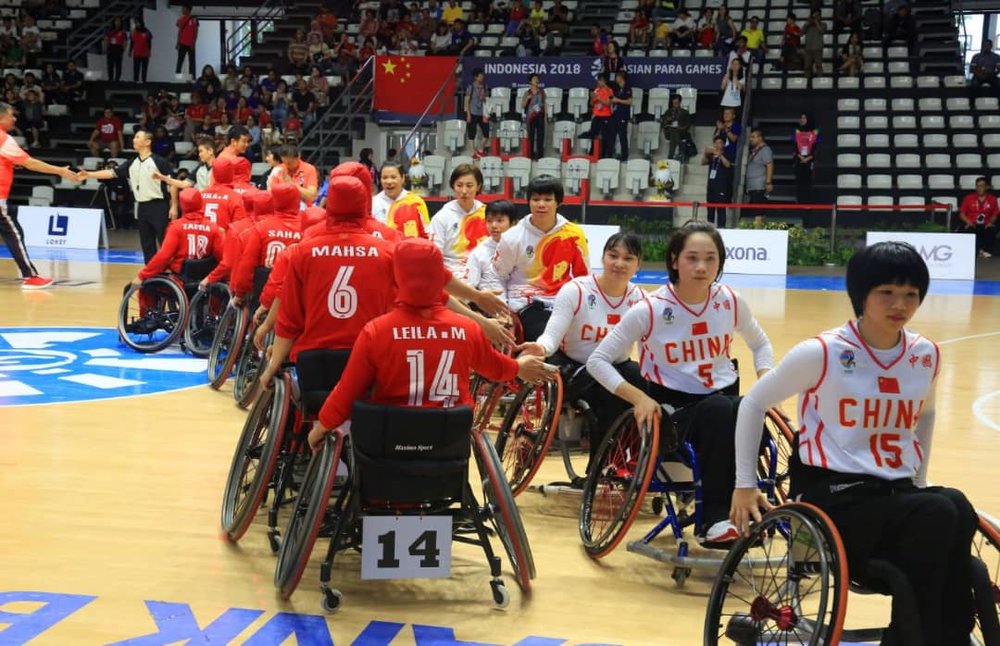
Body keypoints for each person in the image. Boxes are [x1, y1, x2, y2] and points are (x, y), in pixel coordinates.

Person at [729, 241, 979, 646]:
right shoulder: (823, 352)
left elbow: (926, 414)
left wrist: (919, 478)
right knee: (935, 512)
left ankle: (945, 635)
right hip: (833, 494)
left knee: (957, 505)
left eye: (911, 294)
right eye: (887, 292)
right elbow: (754, 403)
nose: (900, 304)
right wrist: (744, 484)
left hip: (894, 492)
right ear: (861, 294)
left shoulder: (925, 354)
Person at [587, 221, 774, 546]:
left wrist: (765, 378)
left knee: (745, 407)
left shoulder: (730, 300)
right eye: (692, 258)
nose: (702, 267)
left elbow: (761, 344)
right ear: (674, 260)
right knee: (724, 410)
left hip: (725, 402)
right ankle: (713, 520)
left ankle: (758, 505)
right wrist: (638, 398)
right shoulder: (650, 309)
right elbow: (597, 361)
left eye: (710, 259)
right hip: (674, 412)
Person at [307, 237, 553, 451]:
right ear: (440, 276)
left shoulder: (376, 331)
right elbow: (497, 368)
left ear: (396, 276)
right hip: (447, 448)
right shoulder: (467, 329)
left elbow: (346, 393)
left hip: (388, 450)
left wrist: (320, 429)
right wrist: (519, 367)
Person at [519, 233, 650, 470]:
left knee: (646, 382)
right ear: (603, 257)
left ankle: (634, 457)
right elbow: (552, 334)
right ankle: (601, 466)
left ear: (638, 264)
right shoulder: (576, 290)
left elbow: (652, 345)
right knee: (608, 391)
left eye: (628, 258)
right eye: (613, 256)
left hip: (617, 365)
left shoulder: (640, 299)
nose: (619, 263)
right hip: (574, 366)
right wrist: (541, 347)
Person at [493, 175, 589, 342]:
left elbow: (583, 278)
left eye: (548, 199)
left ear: (558, 202)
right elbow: (498, 276)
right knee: (546, 339)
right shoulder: (512, 237)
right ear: (528, 202)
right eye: (536, 199)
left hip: (562, 302)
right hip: (525, 303)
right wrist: (503, 310)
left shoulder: (574, 235)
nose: (541, 204)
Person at [0, 102, 81, 289]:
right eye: (11, 115)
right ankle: (30, 276)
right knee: (14, 235)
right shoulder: (4, 139)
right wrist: (60, 171)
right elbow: (31, 163)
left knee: (15, 233)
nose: (14, 119)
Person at [82, 128, 179, 263]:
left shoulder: (159, 161)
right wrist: (88, 174)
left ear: (147, 142)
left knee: (165, 241)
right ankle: (150, 270)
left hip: (159, 206)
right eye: (134, 137)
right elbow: (111, 173)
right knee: (146, 243)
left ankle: (171, 270)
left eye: (137, 137)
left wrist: (174, 205)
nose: (134, 139)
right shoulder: (132, 162)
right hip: (141, 206)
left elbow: (173, 183)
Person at [131, 188, 223, 287]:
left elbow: (164, 256)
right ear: (201, 202)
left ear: (181, 205)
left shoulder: (175, 227)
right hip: (205, 277)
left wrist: (142, 276)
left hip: (180, 278)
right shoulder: (214, 228)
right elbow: (223, 259)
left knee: (147, 287)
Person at [230, 183, 302, 300]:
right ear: (297, 201)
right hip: (296, 292)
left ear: (275, 201)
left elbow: (247, 263)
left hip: (262, 290)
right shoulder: (307, 227)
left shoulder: (261, 228)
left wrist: (240, 293)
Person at [428, 162, 488, 279]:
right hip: (452, 274)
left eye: (469, 186)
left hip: (482, 272)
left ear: (478, 186)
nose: (464, 191)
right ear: (453, 186)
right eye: (459, 185)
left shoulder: (486, 213)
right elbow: (434, 255)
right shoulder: (442, 217)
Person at [466, 198, 515, 297]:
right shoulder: (478, 253)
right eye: (489, 221)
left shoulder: (522, 248)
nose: (494, 225)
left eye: (499, 220)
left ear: (513, 223)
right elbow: (471, 286)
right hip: (492, 302)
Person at [372, 161, 430, 239]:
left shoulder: (416, 202)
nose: (389, 182)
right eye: (385, 178)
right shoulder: (373, 203)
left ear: (402, 178)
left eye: (393, 177)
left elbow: (427, 234)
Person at [958, 176, 998, 258]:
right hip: (972, 224)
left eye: (982, 186)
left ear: (986, 187)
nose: (979, 188)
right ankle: (977, 252)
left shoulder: (993, 199)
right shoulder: (968, 198)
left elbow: (995, 214)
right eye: (977, 186)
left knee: (992, 230)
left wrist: (990, 222)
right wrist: (968, 222)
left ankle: (984, 251)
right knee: (967, 230)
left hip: (986, 224)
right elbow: (961, 214)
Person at [702, 136, 733, 227]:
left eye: (719, 143)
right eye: (715, 143)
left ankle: (721, 228)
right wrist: (705, 154)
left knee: (721, 209)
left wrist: (720, 155)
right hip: (711, 185)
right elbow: (703, 162)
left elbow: (728, 165)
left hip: (721, 186)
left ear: (723, 145)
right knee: (710, 208)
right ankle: (710, 226)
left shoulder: (727, 154)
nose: (717, 145)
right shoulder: (711, 155)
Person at [744, 128, 773, 222]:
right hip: (753, 186)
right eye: (750, 137)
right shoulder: (754, 151)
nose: (751, 139)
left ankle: (758, 229)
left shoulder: (765, 150)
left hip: (759, 186)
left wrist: (768, 182)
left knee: (759, 212)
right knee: (758, 212)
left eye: (753, 137)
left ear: (760, 138)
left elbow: (769, 165)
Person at [792, 113, 819, 205]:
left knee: (808, 184)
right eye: (801, 118)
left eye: (804, 118)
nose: (802, 120)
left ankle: (808, 203)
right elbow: (794, 147)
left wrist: (808, 158)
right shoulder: (796, 131)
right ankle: (799, 202)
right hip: (799, 161)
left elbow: (817, 147)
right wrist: (801, 157)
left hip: (810, 162)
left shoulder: (815, 132)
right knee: (799, 183)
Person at [607, 70, 632, 162]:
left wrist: (617, 100)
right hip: (615, 115)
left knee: (622, 136)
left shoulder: (627, 88)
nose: (616, 78)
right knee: (612, 135)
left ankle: (624, 156)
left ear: (621, 77)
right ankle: (609, 154)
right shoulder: (618, 90)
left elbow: (629, 101)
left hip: (623, 115)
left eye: (617, 76)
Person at [464, 68, 489, 158]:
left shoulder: (485, 86)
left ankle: (480, 150)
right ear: (475, 77)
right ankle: (473, 153)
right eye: (480, 76)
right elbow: (467, 101)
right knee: (471, 134)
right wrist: (468, 114)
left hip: (483, 113)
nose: (482, 77)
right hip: (473, 112)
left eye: (483, 75)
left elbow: (487, 99)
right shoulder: (471, 87)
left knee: (486, 133)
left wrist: (484, 98)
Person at [587, 73, 613, 155]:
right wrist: (592, 98)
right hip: (596, 116)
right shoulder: (596, 90)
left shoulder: (609, 91)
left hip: (606, 116)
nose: (598, 82)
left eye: (600, 80)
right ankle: (592, 153)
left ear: (605, 81)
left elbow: (608, 103)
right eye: (598, 80)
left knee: (605, 136)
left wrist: (599, 98)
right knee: (593, 135)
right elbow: (591, 104)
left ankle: (605, 154)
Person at [660, 93, 691, 161]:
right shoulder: (668, 112)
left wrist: (680, 128)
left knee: (674, 132)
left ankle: (670, 156)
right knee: (673, 130)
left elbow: (688, 125)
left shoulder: (685, 112)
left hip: (682, 132)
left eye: (676, 103)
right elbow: (663, 124)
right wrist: (667, 120)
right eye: (673, 103)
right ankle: (681, 150)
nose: (675, 105)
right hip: (670, 132)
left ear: (680, 103)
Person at [522, 73, 545, 161]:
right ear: (530, 81)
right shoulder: (527, 93)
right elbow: (522, 105)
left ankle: (540, 156)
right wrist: (527, 98)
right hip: (531, 117)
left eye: (537, 79)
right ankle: (530, 155)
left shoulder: (542, 92)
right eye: (534, 78)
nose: (536, 80)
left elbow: (545, 104)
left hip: (540, 116)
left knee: (540, 137)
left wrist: (545, 116)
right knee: (531, 137)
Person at [175, 3, 198, 77]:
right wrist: (178, 42)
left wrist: (193, 43)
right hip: (182, 43)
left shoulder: (194, 19)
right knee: (180, 61)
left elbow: (196, 32)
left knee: (191, 62)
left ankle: (192, 78)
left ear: (188, 10)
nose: (182, 10)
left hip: (190, 44)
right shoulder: (181, 19)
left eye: (183, 8)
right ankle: (177, 77)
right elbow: (180, 31)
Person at [801, 11, 825, 78]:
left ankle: (820, 80)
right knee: (807, 67)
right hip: (808, 49)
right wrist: (807, 23)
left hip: (818, 49)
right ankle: (807, 81)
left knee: (818, 66)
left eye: (817, 16)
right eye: (813, 16)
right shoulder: (808, 25)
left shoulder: (823, 24)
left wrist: (816, 23)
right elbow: (801, 32)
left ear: (820, 17)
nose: (815, 18)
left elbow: (822, 31)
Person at [129, 17, 152, 83]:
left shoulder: (147, 31)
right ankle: (135, 80)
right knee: (136, 67)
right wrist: (130, 51)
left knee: (144, 68)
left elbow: (149, 42)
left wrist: (149, 51)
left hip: (145, 53)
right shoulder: (134, 32)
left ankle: (144, 80)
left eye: (138, 23)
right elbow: (132, 42)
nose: (137, 24)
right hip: (136, 52)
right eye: (136, 23)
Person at [105, 16, 127, 82]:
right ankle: (110, 79)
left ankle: (117, 79)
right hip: (111, 47)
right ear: (114, 22)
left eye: (119, 21)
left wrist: (123, 49)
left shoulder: (123, 31)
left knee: (118, 65)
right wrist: (106, 48)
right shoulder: (110, 31)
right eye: (116, 21)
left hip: (118, 48)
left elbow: (125, 41)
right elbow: (106, 39)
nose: (117, 22)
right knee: (110, 65)